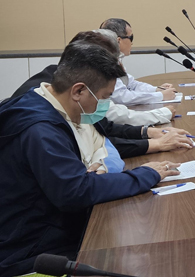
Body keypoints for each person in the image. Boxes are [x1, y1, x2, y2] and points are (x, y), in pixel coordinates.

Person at [0, 40, 180, 277]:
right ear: (78, 91)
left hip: (41, 231)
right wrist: (147, 174)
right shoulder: (40, 129)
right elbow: (75, 192)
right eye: (104, 97)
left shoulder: (39, 102)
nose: (104, 106)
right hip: (31, 252)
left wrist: (83, 176)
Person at [11, 31, 194, 159]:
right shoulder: (45, 111)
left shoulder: (65, 85)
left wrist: (149, 132)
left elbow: (103, 127)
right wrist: (154, 145)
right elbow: (75, 180)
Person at [100, 18, 177, 105]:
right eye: (131, 37)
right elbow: (122, 98)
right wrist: (160, 96)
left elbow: (132, 85)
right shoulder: (103, 62)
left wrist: (156, 89)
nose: (132, 43)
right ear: (119, 41)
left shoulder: (115, 59)